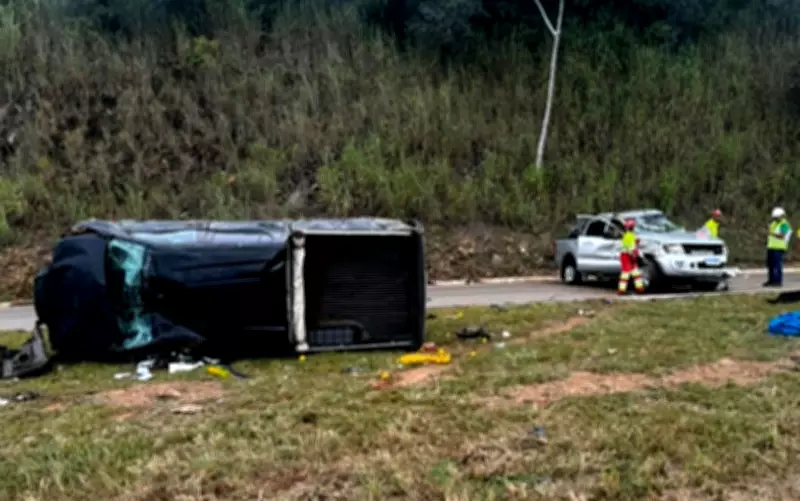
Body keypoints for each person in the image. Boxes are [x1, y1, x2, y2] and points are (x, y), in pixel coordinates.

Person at [765, 207, 791, 287]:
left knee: (777, 265)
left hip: (779, 247)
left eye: (777, 217)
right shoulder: (774, 223)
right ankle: (771, 280)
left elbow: (782, 235)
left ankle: (778, 281)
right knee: (770, 264)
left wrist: (772, 234)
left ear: (781, 216)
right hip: (771, 246)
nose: (776, 219)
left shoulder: (784, 224)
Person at [618, 218, 645, 295]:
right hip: (627, 256)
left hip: (628, 255)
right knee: (625, 273)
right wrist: (633, 256)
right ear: (632, 227)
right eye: (633, 226)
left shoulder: (629, 235)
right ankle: (621, 290)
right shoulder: (629, 236)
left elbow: (633, 243)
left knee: (635, 272)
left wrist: (636, 241)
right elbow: (630, 248)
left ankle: (640, 288)